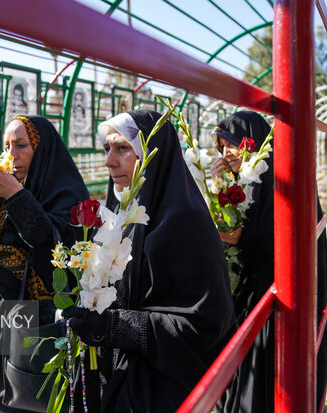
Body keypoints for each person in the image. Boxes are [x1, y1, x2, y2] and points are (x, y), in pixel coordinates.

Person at [63, 109, 236, 412]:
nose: (109, 161)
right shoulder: (122, 214)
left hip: (157, 387)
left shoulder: (184, 222)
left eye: (122, 148)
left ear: (152, 155)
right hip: (117, 376)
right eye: (107, 149)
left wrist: (115, 327)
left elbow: (207, 323)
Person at [0, 115, 89, 413]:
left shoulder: (63, 194)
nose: (11, 155)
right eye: (7, 145)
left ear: (43, 149)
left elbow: (58, 250)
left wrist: (17, 195)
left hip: (37, 334)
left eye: (22, 145)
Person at [210, 111, 327, 412]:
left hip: (278, 295)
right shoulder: (245, 179)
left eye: (232, 145)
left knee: (270, 376)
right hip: (257, 288)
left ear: (253, 146)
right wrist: (218, 184)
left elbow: (237, 233)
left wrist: (235, 228)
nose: (226, 153)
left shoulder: (281, 177)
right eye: (221, 146)